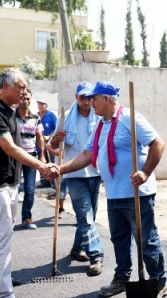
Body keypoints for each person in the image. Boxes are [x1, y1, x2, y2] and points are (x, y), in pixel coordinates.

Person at [59, 81, 167, 298]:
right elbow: (86, 156)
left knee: (146, 239)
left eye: (94, 98)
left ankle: (159, 281)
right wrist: (60, 169)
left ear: (106, 99)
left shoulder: (130, 118)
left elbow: (158, 143)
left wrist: (145, 172)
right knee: (119, 239)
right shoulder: (101, 124)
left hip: (138, 193)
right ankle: (122, 278)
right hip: (114, 193)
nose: (90, 103)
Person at [0, 68, 59, 298]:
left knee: (3, 232)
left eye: (25, 88)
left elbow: (25, 144)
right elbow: (10, 148)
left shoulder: (8, 110)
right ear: (5, 87)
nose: (24, 92)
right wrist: (42, 166)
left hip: (9, 181)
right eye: (20, 87)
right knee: (3, 235)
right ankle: (4, 295)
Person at [50, 82, 104, 276]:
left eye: (90, 98)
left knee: (89, 216)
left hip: (94, 172)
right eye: (83, 98)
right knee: (85, 215)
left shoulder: (98, 117)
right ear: (76, 97)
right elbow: (52, 144)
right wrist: (58, 137)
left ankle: (76, 248)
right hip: (74, 174)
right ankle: (96, 255)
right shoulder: (65, 118)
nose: (86, 102)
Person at [15, 89, 45, 230]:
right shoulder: (11, 116)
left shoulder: (35, 117)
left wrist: (42, 155)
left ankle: (26, 218)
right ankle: (8, 219)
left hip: (31, 156)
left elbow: (39, 137)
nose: (25, 101)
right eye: (22, 98)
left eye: (27, 98)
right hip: (14, 157)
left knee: (30, 190)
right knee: (12, 189)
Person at [36, 98, 57, 190]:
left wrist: (49, 136)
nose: (40, 106)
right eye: (39, 104)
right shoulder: (36, 116)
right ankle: (44, 181)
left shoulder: (51, 115)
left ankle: (54, 181)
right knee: (41, 162)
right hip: (39, 145)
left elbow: (56, 128)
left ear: (46, 105)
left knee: (51, 162)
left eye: (42, 104)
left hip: (49, 144)